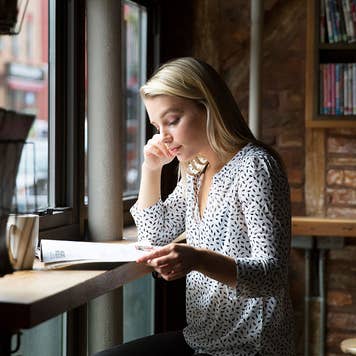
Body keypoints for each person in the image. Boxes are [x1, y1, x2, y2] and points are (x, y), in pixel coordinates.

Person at [95, 57, 295, 356]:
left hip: (249, 348)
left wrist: (198, 259)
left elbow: (272, 275)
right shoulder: (196, 170)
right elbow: (154, 235)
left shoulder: (255, 167)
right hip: (201, 340)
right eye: (156, 125)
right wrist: (151, 169)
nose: (163, 136)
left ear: (208, 108)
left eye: (172, 120)